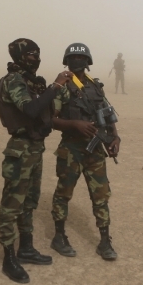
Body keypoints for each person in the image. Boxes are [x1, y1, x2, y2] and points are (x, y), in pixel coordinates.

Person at [0, 38, 70, 283]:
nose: (36, 58)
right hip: (20, 149)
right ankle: (9, 257)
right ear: (19, 57)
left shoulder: (32, 82)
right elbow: (30, 110)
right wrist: (55, 86)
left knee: (30, 201)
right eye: (31, 54)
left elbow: (45, 112)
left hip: (35, 148)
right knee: (12, 203)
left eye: (37, 53)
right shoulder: (13, 81)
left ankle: (26, 247)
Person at [50, 43, 121, 261]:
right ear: (66, 61)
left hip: (95, 150)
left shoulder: (95, 86)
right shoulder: (62, 85)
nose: (77, 61)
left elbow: (108, 114)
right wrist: (74, 124)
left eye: (81, 58)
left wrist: (115, 136)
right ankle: (59, 236)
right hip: (71, 149)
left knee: (101, 195)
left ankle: (104, 240)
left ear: (88, 62)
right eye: (73, 58)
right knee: (63, 193)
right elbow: (50, 118)